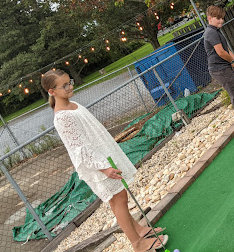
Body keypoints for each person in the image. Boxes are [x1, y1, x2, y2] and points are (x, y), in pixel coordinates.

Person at [41, 69, 168, 252]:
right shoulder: (62, 117)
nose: (70, 87)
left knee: (119, 197)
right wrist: (104, 168)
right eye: (65, 85)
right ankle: (137, 243)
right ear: (51, 92)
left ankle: (139, 230)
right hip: (97, 164)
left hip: (104, 155)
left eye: (70, 82)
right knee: (119, 199)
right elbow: (79, 149)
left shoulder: (73, 104)